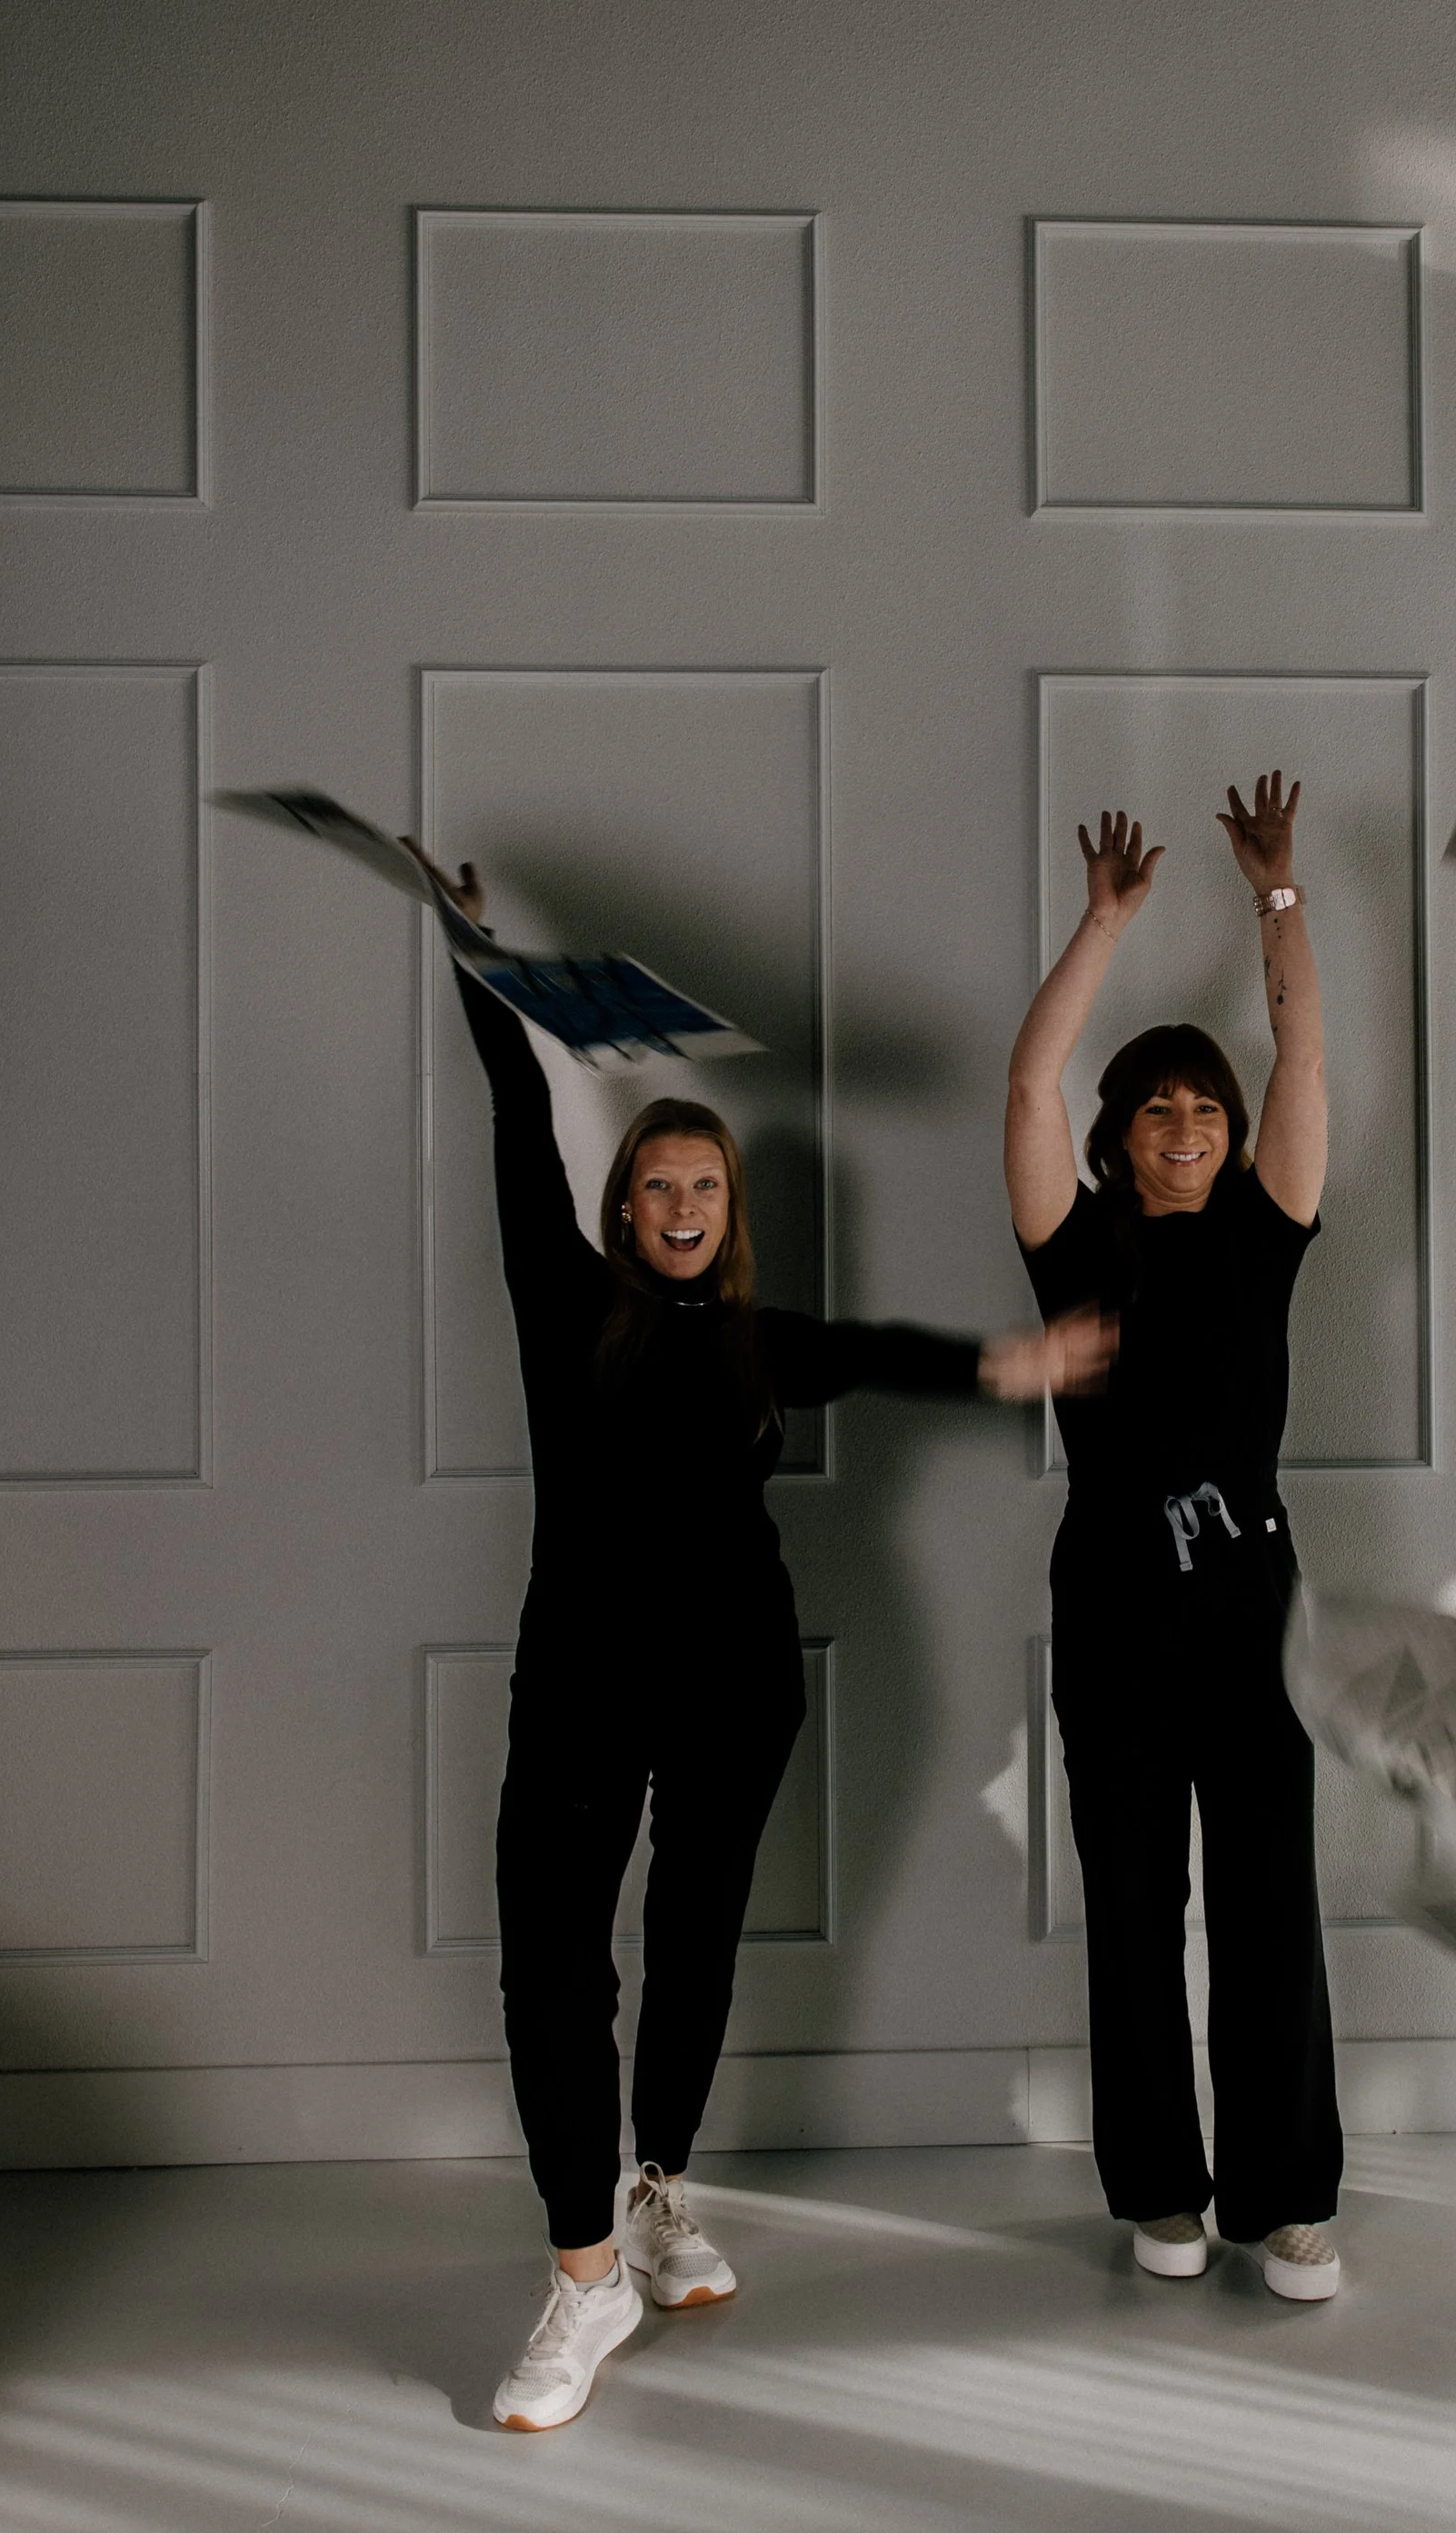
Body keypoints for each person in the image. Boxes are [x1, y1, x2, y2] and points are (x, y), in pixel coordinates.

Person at [414, 843, 1112, 2432]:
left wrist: (1018, 1364)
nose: (676, 1206)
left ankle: (656, 2193)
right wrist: (468, 953)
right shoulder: (558, 1297)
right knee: (552, 1971)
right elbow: (522, 1110)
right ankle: (581, 2283)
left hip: (737, 1682)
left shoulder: (754, 1338)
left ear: (728, 1212)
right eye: (654, 1185)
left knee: (698, 1947)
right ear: (621, 1206)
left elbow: (877, 1352)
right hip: (582, 1679)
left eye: (702, 1188)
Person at [1004, 773, 1344, 2301]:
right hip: (1118, 1588)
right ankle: (1160, 2190)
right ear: (1124, 1137)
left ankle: (1286, 2198)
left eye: (1207, 1108)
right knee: (1135, 1898)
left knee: (1269, 1892)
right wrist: (1102, 925)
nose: (1191, 1128)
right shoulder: (1074, 1250)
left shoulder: (1269, 1235)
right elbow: (1025, 1090)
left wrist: (1278, 898)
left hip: (1253, 1589)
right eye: (1161, 1110)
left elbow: (1307, 1055)